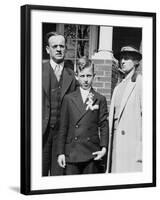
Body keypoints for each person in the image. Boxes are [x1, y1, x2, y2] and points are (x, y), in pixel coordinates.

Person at [57, 58, 109, 175]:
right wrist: (60, 152)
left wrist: (104, 148)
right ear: (77, 76)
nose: (85, 80)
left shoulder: (99, 99)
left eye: (89, 76)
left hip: (92, 153)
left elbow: (104, 125)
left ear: (94, 76)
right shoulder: (68, 99)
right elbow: (63, 128)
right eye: (82, 76)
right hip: (72, 153)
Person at [42, 32, 77, 176]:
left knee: (58, 177)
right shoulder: (35, 72)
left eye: (61, 46)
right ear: (47, 49)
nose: (58, 49)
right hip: (41, 134)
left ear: (66, 49)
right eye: (54, 46)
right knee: (37, 176)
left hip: (62, 137)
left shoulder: (72, 76)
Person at [107, 46, 142, 173]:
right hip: (116, 141)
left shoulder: (140, 82)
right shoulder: (119, 86)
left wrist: (141, 149)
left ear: (136, 61)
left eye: (126, 58)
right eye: (121, 58)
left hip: (131, 145)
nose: (122, 61)